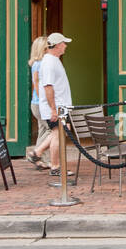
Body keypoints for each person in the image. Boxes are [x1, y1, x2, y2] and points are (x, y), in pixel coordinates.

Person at [39, 32, 74, 182]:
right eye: (64, 43)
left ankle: (37, 152)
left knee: (59, 133)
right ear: (58, 45)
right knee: (58, 135)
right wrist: (53, 109)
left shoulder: (54, 60)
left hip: (61, 106)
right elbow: (48, 87)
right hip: (56, 108)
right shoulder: (49, 62)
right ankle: (55, 167)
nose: (65, 46)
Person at [25, 36, 56, 168]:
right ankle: (35, 154)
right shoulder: (39, 64)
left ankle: (38, 160)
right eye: (47, 47)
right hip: (39, 104)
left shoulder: (39, 63)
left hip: (36, 103)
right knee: (54, 131)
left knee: (43, 131)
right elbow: (37, 84)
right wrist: (47, 103)